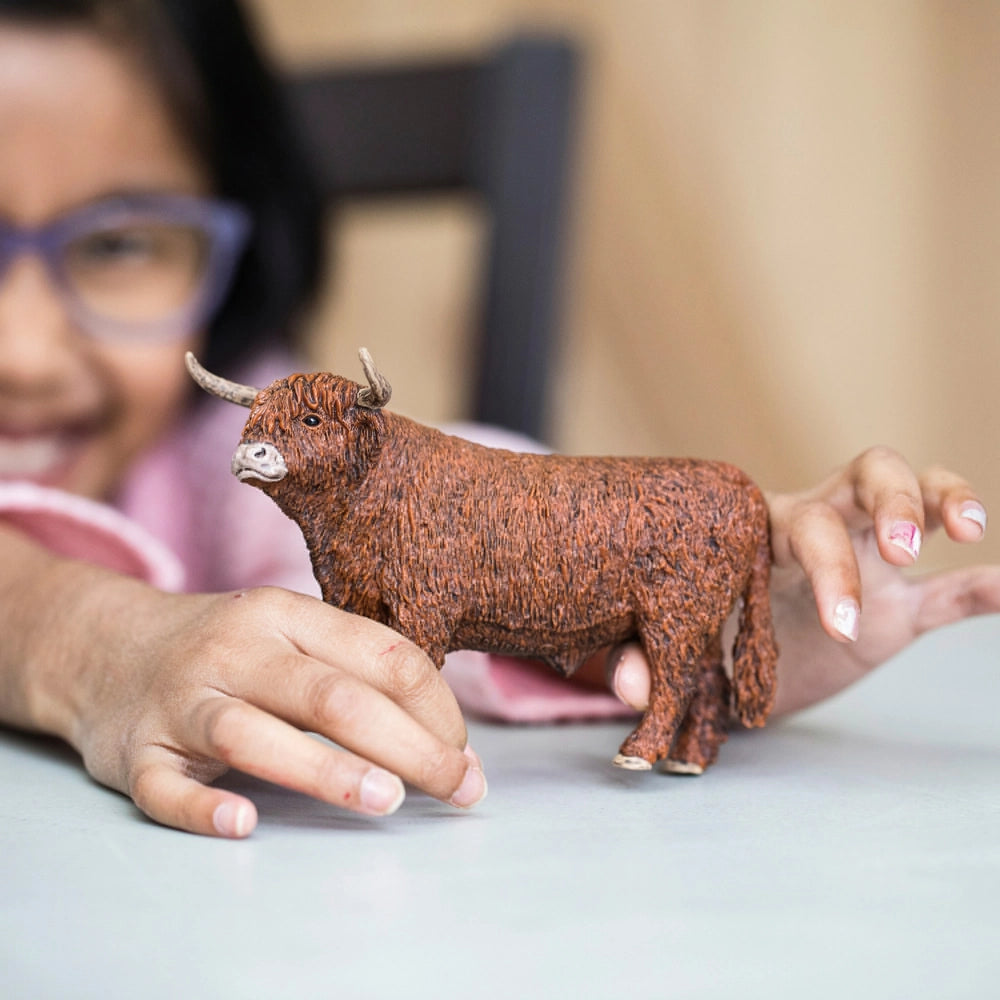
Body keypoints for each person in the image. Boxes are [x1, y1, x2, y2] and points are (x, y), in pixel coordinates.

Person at [1, 0, 997, 839]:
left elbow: (458, 525)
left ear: (241, 236)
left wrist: (722, 594)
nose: (24, 349)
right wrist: (82, 637)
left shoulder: (241, 459)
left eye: (123, 243)